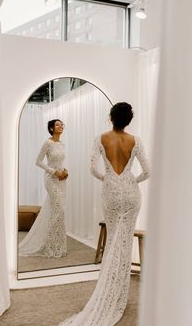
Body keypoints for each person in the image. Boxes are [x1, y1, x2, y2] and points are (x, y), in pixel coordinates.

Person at [59, 102, 149, 326]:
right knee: (124, 244)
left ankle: (110, 292)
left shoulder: (100, 138)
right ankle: (118, 296)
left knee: (112, 244)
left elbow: (92, 168)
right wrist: (130, 181)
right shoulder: (135, 140)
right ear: (129, 120)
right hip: (131, 195)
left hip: (110, 194)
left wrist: (108, 179)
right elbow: (147, 171)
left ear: (111, 117)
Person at [19, 119, 68, 258]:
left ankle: (56, 245)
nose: (61, 126)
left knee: (57, 210)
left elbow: (61, 162)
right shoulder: (48, 143)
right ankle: (49, 245)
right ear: (52, 129)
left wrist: (65, 171)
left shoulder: (62, 144)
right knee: (59, 210)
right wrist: (53, 171)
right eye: (57, 125)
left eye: (62, 124)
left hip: (61, 179)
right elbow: (38, 161)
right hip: (51, 179)